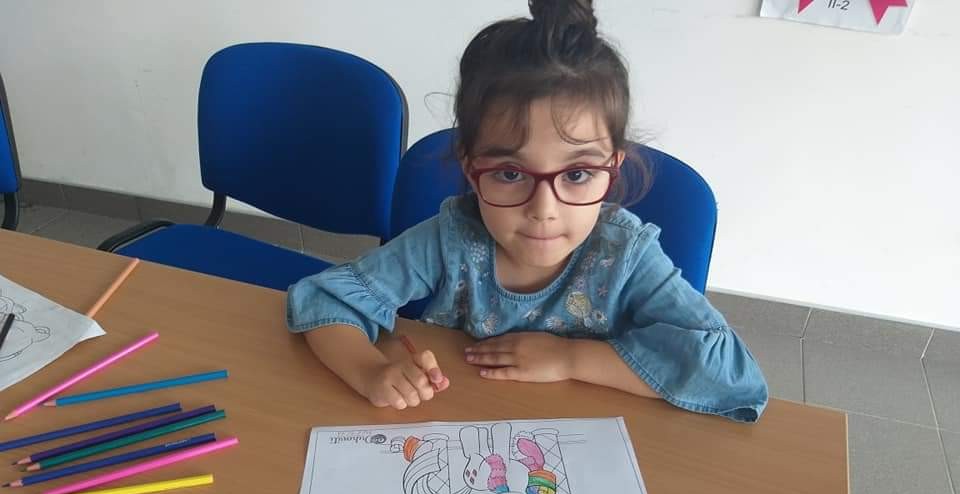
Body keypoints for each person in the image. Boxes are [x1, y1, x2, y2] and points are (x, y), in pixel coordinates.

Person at [286, 0, 768, 423]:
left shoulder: (625, 255)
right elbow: (323, 300)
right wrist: (371, 371)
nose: (543, 210)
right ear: (472, 169)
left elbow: (731, 372)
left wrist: (572, 359)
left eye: (576, 174)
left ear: (612, 170)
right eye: (510, 173)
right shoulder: (451, 240)